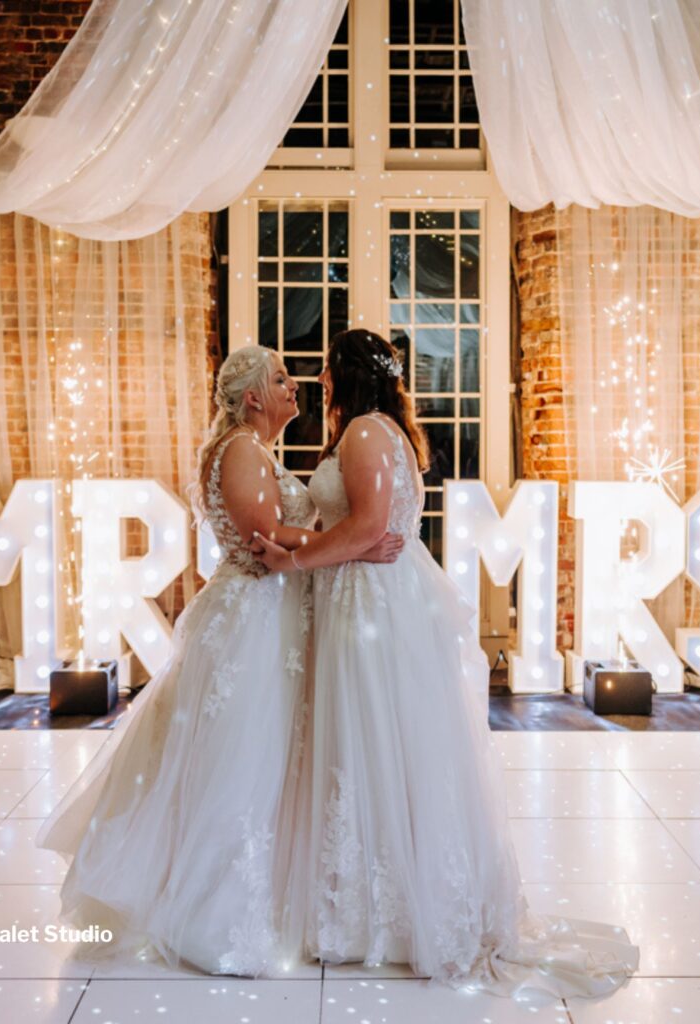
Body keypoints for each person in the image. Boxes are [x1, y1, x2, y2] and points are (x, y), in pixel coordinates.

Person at [255, 329, 640, 997]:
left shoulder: (368, 434)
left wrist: (296, 559)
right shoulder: (376, 430)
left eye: (324, 370)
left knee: (372, 738)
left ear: (348, 374)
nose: (318, 381)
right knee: (371, 743)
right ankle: (364, 904)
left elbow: (370, 528)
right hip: (365, 596)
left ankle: (386, 913)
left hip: (370, 607)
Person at [35, 345, 402, 976]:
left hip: (274, 616)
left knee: (262, 757)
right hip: (253, 621)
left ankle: (272, 892)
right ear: (253, 397)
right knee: (241, 757)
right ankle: (214, 913)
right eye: (282, 380)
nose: (297, 387)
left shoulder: (255, 451)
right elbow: (263, 534)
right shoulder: (240, 450)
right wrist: (355, 548)